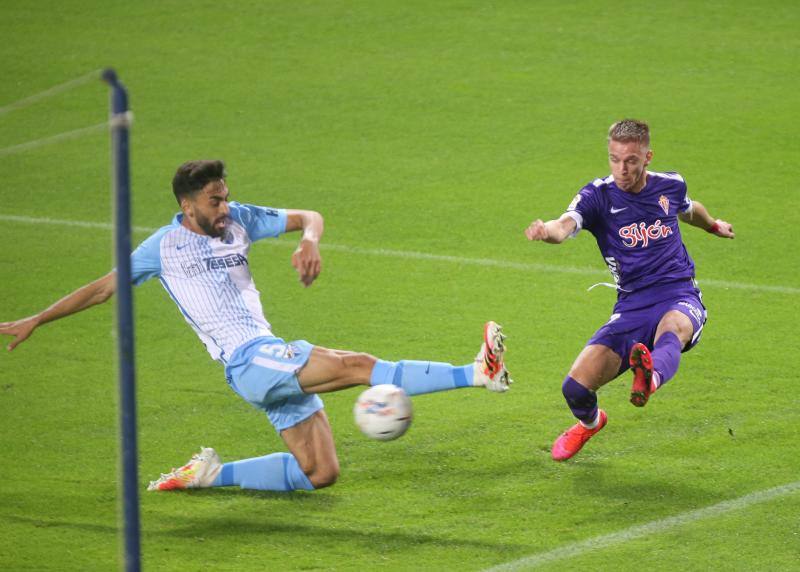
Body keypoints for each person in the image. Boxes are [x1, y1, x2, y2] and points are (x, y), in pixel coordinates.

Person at [0, 159, 511, 492]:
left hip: (265, 358)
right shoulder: (163, 248)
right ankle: (476, 373)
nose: (224, 207)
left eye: (225, 197)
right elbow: (104, 286)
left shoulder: (240, 218)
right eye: (214, 201)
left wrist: (309, 240)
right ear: (187, 205)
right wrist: (38, 319)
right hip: (247, 361)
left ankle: (206, 476)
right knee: (356, 366)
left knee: (321, 473)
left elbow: (309, 214)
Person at [524, 119, 734, 461]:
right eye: (614, 159)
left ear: (647, 157)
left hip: (678, 292)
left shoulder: (670, 185)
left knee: (673, 330)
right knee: (575, 389)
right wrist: (545, 232)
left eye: (631, 161)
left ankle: (647, 379)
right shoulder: (597, 196)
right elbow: (563, 226)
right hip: (632, 305)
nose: (622, 168)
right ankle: (590, 424)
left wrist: (713, 225)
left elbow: (690, 209)